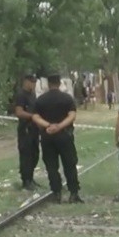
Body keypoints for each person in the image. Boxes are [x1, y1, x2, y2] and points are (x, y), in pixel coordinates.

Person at [32, 74, 83, 203]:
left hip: (47, 136)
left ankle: (56, 193)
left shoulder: (41, 100)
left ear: (48, 84)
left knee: (51, 165)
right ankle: (73, 193)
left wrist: (49, 126)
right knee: (69, 164)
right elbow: (72, 116)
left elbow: (35, 117)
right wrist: (59, 126)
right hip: (65, 135)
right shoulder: (67, 99)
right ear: (60, 83)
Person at [14, 73, 40, 191]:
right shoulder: (21, 95)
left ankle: (31, 177)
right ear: (26, 82)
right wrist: (32, 116)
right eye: (32, 82)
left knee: (35, 154)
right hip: (25, 129)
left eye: (35, 82)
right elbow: (19, 112)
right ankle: (26, 180)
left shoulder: (32, 95)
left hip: (34, 129)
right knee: (26, 155)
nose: (33, 84)